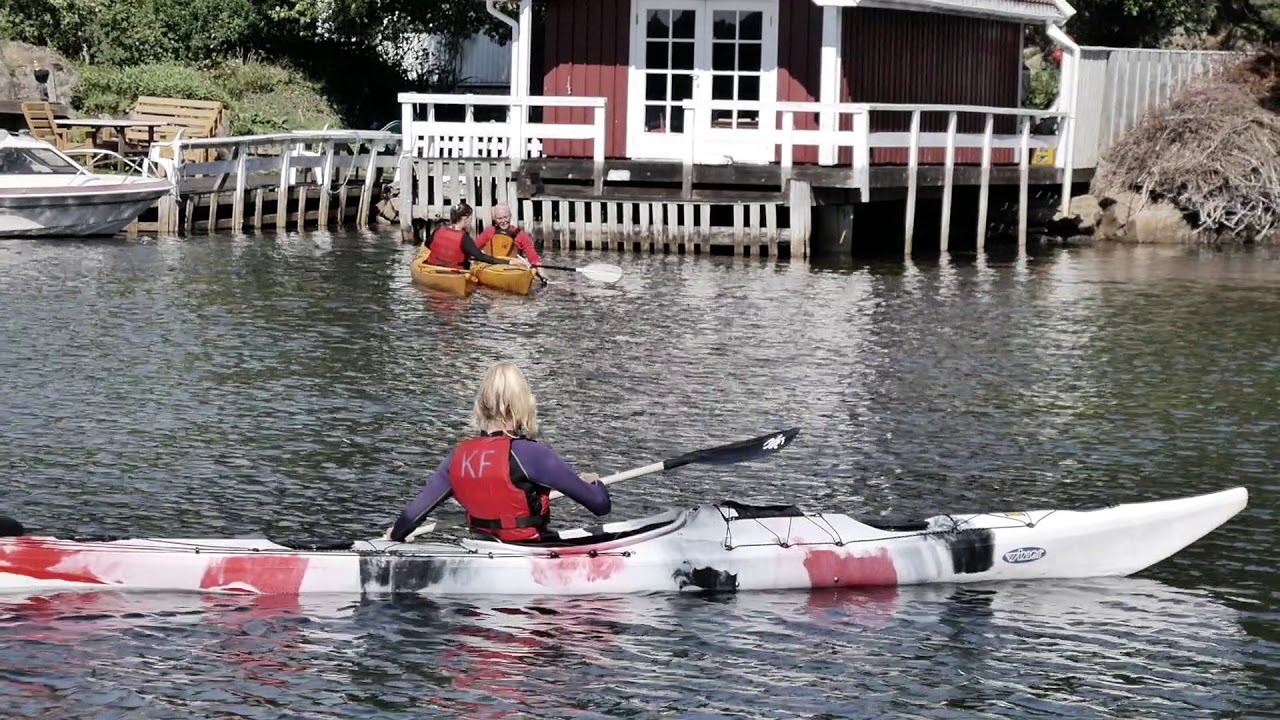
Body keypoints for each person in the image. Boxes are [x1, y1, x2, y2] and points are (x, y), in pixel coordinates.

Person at [386, 362, 611, 543]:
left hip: (484, 547)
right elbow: (600, 505)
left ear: (482, 404)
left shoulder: (458, 456)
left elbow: (411, 516)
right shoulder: (533, 455)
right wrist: (594, 483)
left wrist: (396, 535)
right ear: (525, 403)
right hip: (530, 550)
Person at [425, 202, 529, 270]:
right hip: (454, 274)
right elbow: (481, 257)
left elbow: (428, 245)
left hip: (434, 269)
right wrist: (509, 261)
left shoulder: (438, 229)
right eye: (470, 218)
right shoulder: (464, 238)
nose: (471, 221)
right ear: (465, 218)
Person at [476, 203, 543, 266]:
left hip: (510, 269)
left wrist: (537, 264)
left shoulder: (521, 235)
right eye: (499, 218)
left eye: (505, 217)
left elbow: (532, 256)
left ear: (510, 216)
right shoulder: (489, 232)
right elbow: (474, 248)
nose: (503, 221)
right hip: (490, 268)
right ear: (494, 219)